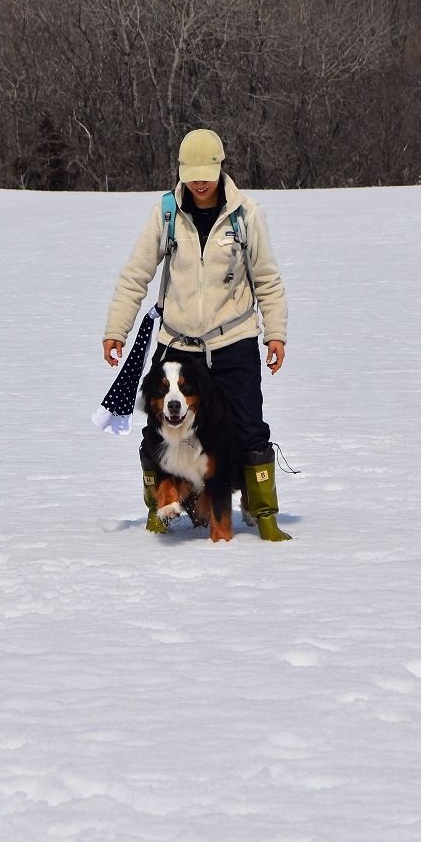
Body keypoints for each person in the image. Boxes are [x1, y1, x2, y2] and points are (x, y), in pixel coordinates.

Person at [102, 128, 291, 541]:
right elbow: (136, 275)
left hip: (234, 341)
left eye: (207, 172)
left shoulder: (246, 215)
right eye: (191, 173)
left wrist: (275, 334)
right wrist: (117, 329)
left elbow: (268, 280)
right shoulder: (166, 213)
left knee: (248, 427)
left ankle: (263, 512)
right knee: (158, 426)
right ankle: (161, 506)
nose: (200, 182)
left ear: (221, 168)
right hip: (177, 344)